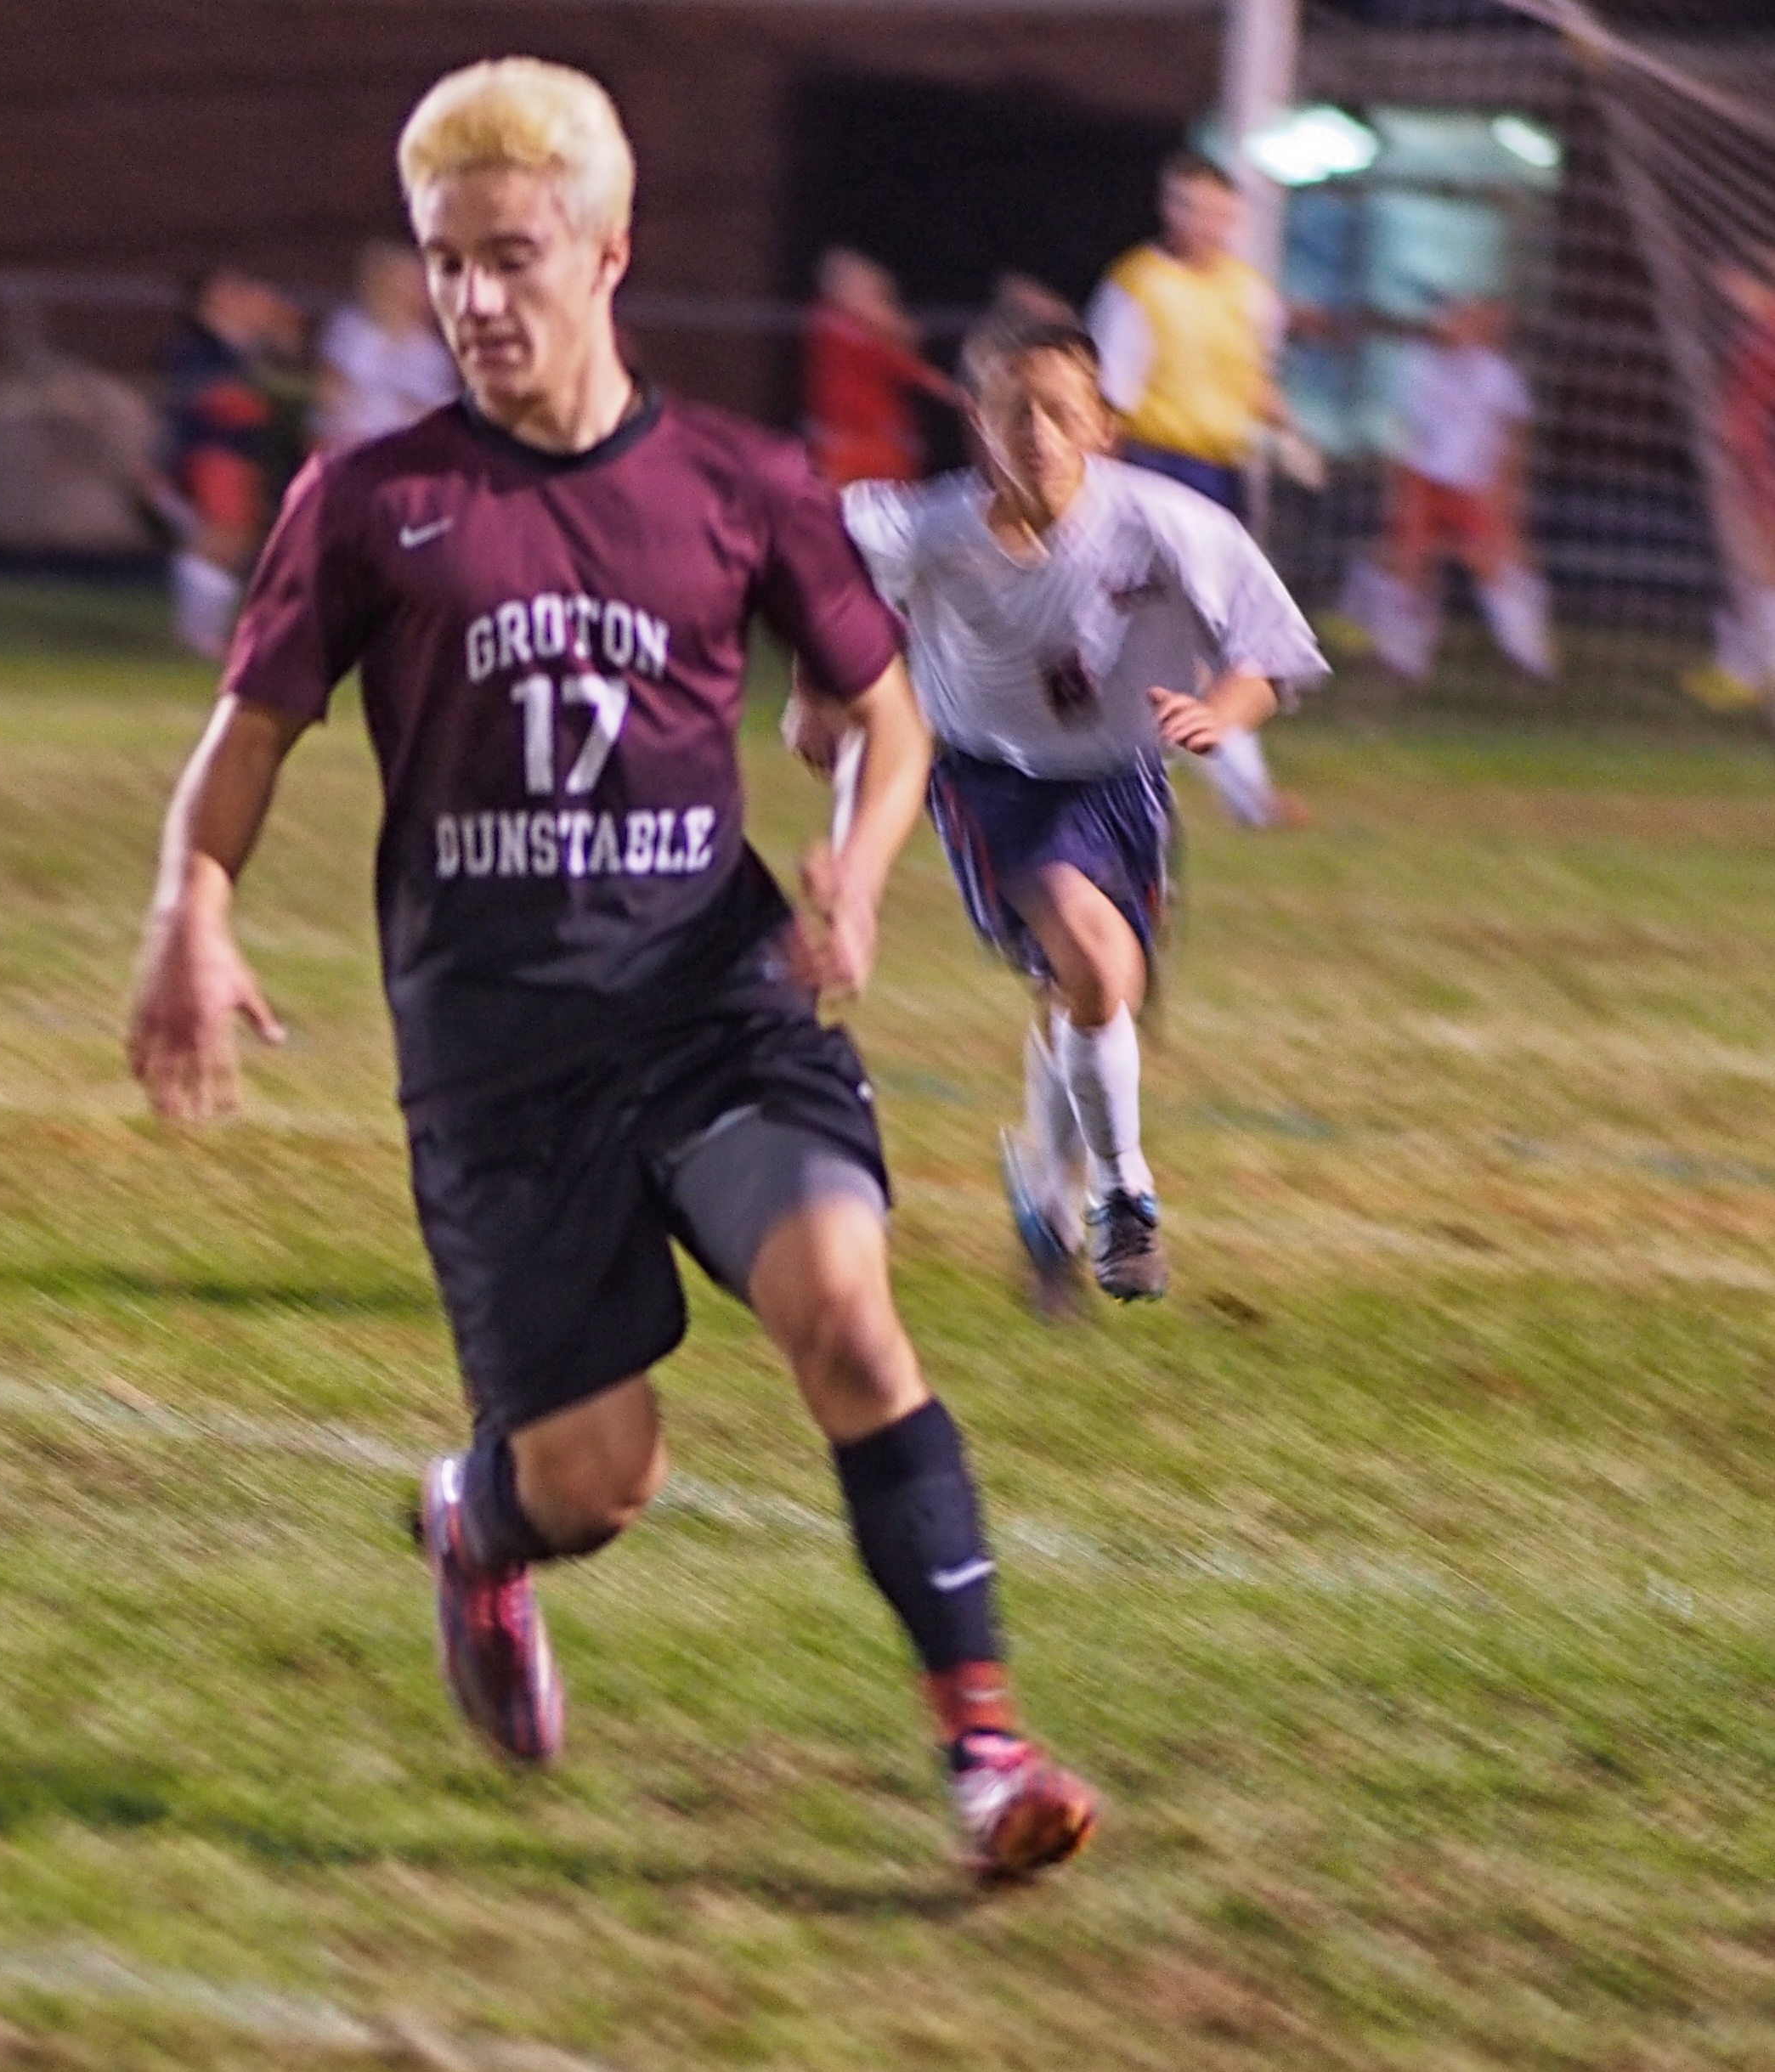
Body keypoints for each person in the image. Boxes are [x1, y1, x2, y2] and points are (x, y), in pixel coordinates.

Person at [126, 55, 1097, 1883]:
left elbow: (886, 719)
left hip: (711, 1002)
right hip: (498, 1062)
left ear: (606, 253)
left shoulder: (738, 481)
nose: (473, 299)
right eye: (444, 261)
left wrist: (855, 872)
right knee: (598, 1477)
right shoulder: (369, 499)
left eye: (510, 256)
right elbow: (248, 735)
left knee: (846, 1316)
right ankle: (476, 1527)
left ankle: (985, 1747)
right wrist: (194, 899)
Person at [811, 309, 1326, 1313]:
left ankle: (1044, 1192)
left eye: (1058, 411)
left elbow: (1268, 649)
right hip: (990, 783)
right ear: (977, 422)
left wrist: (1222, 712)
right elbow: (816, 577)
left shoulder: (1165, 524)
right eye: (1014, 412)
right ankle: (1123, 1194)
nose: (1037, 434)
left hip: (1120, 782)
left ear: (1101, 424)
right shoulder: (930, 530)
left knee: (1092, 994)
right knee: (1088, 960)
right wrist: (814, 695)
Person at [1088, 153, 1308, 827]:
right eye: (1188, 207)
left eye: (1215, 211)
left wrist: (1294, 437)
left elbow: (1254, 382)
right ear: (1168, 209)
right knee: (1154, 630)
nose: (1202, 223)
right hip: (1155, 469)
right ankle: (1239, 793)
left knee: (1215, 634)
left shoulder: (1250, 293)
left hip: (1222, 476)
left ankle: (1231, 788)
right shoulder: (1137, 286)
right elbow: (1107, 404)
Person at [1336, 297, 1552, 684]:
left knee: (1491, 560)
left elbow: (1514, 437)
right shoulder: (1416, 365)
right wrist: (1402, 484)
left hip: (1475, 484)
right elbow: (1405, 431)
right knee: (1409, 558)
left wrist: (1505, 487)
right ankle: (1400, 656)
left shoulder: (1498, 375)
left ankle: (1528, 653)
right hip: (1426, 477)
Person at [154, 268, 300, 658]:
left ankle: (207, 631)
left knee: (237, 542)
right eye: (233, 294)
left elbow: (283, 394)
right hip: (213, 454)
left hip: (248, 457)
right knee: (217, 538)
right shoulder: (196, 349)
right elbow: (207, 401)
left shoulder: (250, 350)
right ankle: (197, 631)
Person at [1685, 255, 1775, 715]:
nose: (1732, 284)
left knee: (1759, 565)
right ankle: (1743, 667)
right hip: (1745, 456)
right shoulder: (1757, 330)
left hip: (1759, 459)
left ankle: (1754, 670)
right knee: (1749, 567)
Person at [801, 249, 958, 490]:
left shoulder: (858, 333)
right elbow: (920, 370)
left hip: (880, 450)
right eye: (879, 296)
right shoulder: (836, 327)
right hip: (851, 450)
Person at [314, 240, 459, 453]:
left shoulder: (432, 352)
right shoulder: (352, 331)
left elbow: (439, 411)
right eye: (410, 280)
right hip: (351, 445)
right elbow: (330, 392)